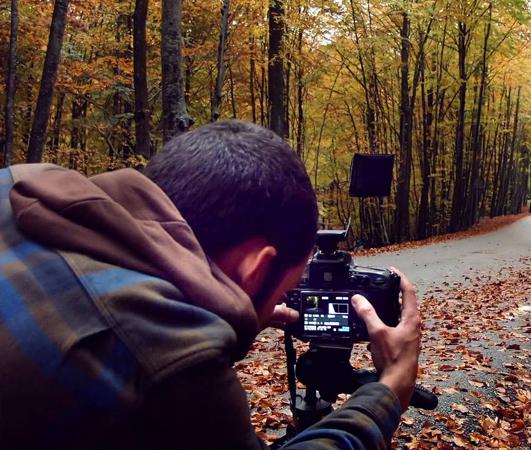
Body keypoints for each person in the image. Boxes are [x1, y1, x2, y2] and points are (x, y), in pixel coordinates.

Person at [0, 120, 421, 449]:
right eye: (279, 293)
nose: (278, 304)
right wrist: (390, 389)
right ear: (256, 269)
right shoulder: (174, 355)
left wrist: (237, 315)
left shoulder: (22, 189)